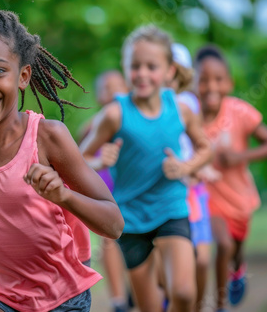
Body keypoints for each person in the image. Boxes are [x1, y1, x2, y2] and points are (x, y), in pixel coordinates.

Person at [0, 9, 124, 312]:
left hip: (60, 293)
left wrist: (64, 196)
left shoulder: (48, 138)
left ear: (23, 76)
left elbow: (113, 224)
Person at [80, 25, 212, 312]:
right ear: (126, 69)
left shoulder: (180, 110)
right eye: (134, 66)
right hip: (131, 217)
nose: (142, 73)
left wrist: (186, 166)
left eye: (151, 66)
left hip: (171, 207)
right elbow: (80, 158)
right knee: (149, 307)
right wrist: (100, 161)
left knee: (185, 293)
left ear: (169, 71)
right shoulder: (115, 114)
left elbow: (205, 147)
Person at [194, 45, 267, 311]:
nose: (211, 86)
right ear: (194, 83)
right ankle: (220, 304)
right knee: (222, 244)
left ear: (229, 83)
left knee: (235, 249)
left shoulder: (239, 112)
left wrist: (239, 157)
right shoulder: (190, 117)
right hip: (208, 197)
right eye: (203, 79)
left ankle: (238, 269)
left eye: (218, 79)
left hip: (239, 198)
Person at [166, 43, 213, 312]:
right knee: (170, 267)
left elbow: (201, 145)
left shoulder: (188, 104)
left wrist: (194, 167)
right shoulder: (146, 107)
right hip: (168, 193)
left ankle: (195, 306)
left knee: (202, 260)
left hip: (192, 192)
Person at [79, 70, 131, 312]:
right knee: (109, 242)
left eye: (116, 86)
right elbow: (80, 157)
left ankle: (137, 288)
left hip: (132, 192)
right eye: (105, 88)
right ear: (99, 96)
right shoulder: (93, 126)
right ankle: (118, 299)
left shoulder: (133, 119)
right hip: (107, 193)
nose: (111, 92)